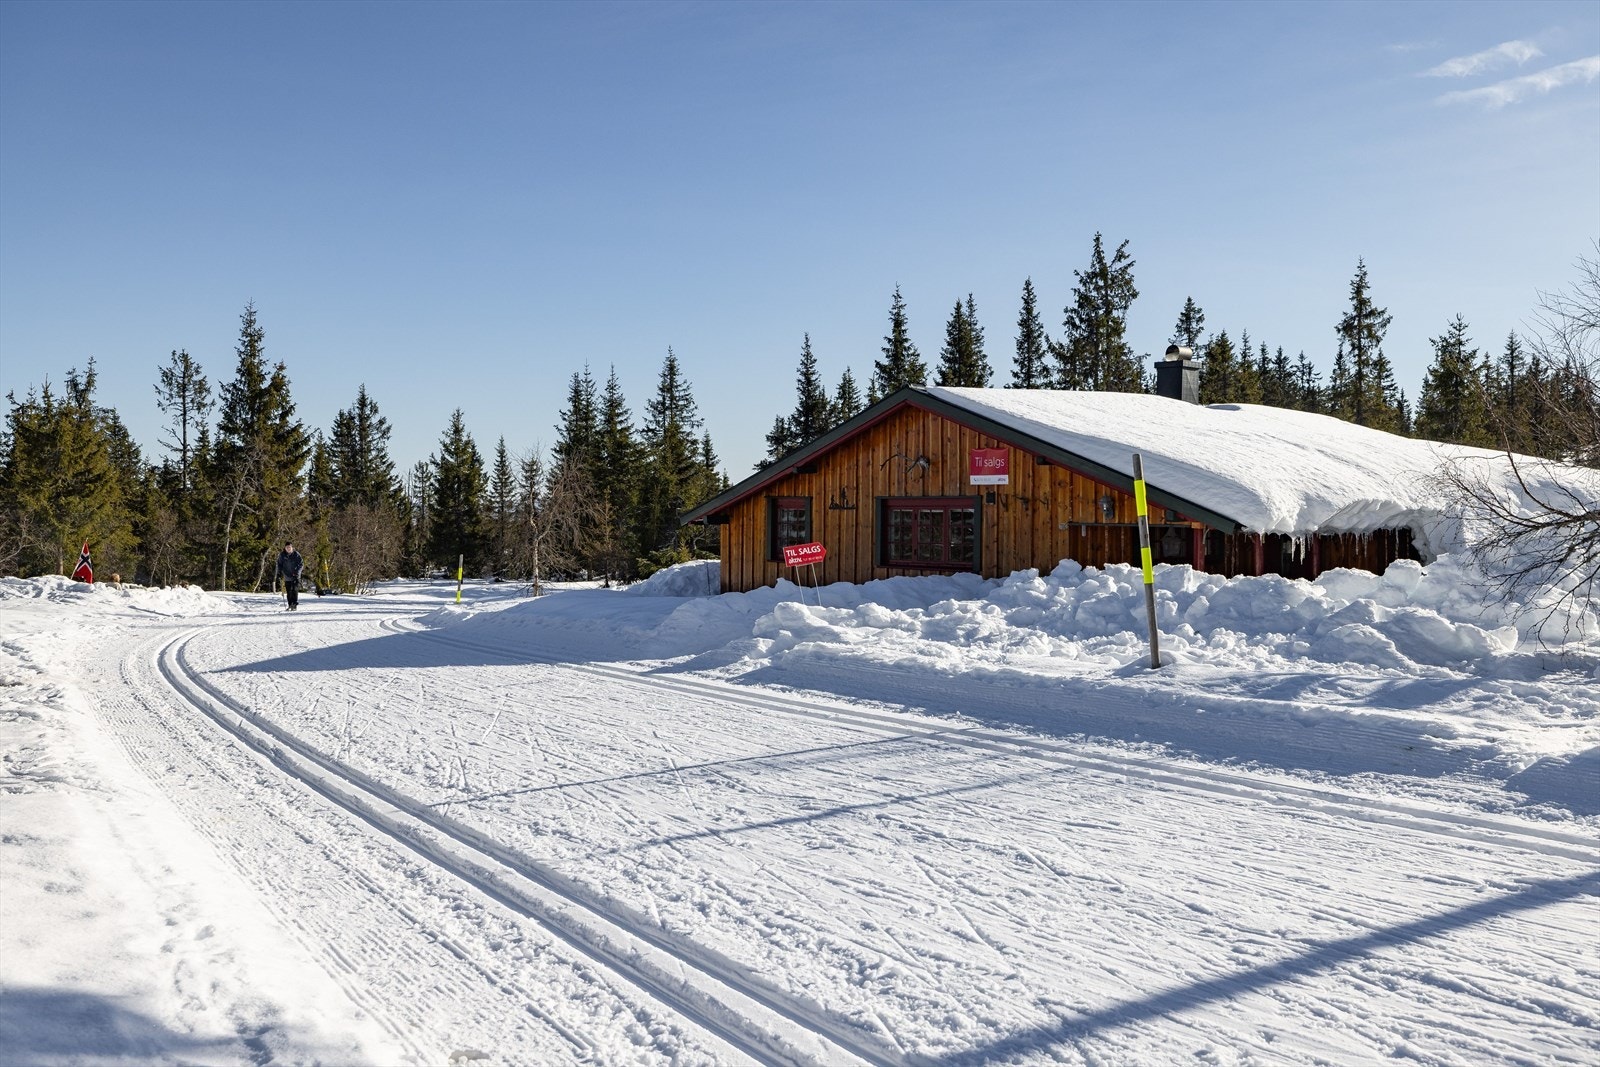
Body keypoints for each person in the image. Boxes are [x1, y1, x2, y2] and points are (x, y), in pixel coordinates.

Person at [276, 542, 305, 611]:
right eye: (287, 547)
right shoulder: (282, 555)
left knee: (294, 590)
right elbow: (279, 564)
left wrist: (297, 572)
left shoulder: (296, 554)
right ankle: (290, 604)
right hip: (287, 576)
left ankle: (294, 604)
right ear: (285, 548)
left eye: (289, 547)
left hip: (295, 575)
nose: (288, 549)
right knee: (289, 592)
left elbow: (301, 564)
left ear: (292, 548)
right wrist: (279, 572)